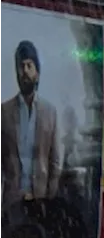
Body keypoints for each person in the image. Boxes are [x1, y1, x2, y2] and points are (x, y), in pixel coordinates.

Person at [0, 42, 61, 207]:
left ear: (37, 73)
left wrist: (49, 199)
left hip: (40, 202)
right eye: (21, 66)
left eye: (29, 65)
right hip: (11, 203)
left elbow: (54, 162)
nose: (25, 71)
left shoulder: (50, 112)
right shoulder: (4, 111)